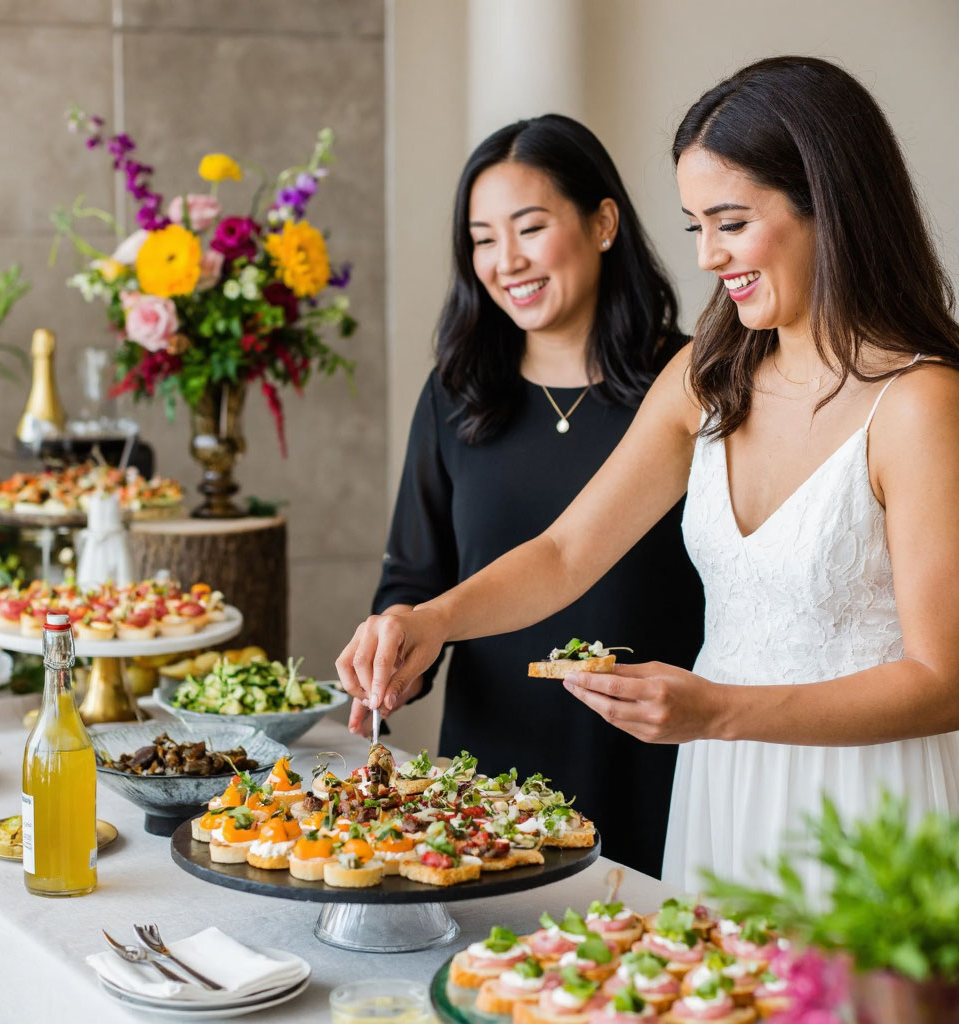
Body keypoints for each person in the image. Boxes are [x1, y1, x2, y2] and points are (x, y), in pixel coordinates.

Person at [338, 57, 959, 892]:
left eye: (730, 222)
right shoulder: (707, 374)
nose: (706, 256)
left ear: (828, 204)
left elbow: (942, 679)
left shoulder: (921, 403)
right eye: (694, 225)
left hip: (869, 802)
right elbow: (564, 553)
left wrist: (719, 711)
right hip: (723, 786)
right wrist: (434, 620)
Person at [349, 114, 705, 877]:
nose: (505, 260)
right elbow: (417, 575)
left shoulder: (690, 387)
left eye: (529, 227)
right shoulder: (457, 394)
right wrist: (398, 649)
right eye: (481, 238)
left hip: (655, 751)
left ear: (603, 222)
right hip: (493, 767)